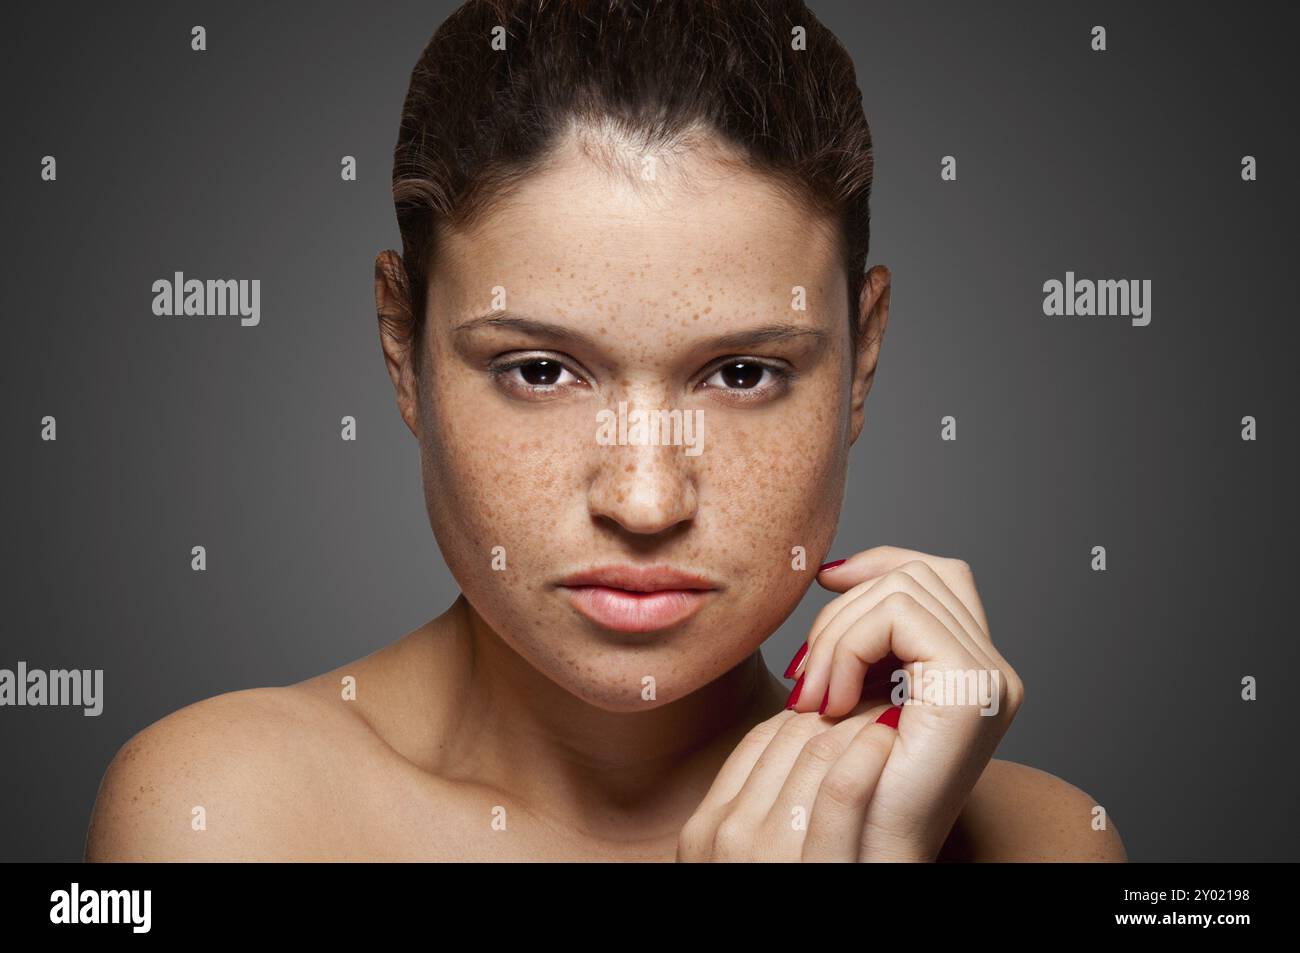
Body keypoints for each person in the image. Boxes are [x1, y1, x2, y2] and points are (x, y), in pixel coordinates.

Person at [86, 0, 1126, 862]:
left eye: (741, 371)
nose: (643, 501)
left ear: (859, 360)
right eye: (539, 369)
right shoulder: (225, 814)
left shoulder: (1038, 843)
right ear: (401, 345)